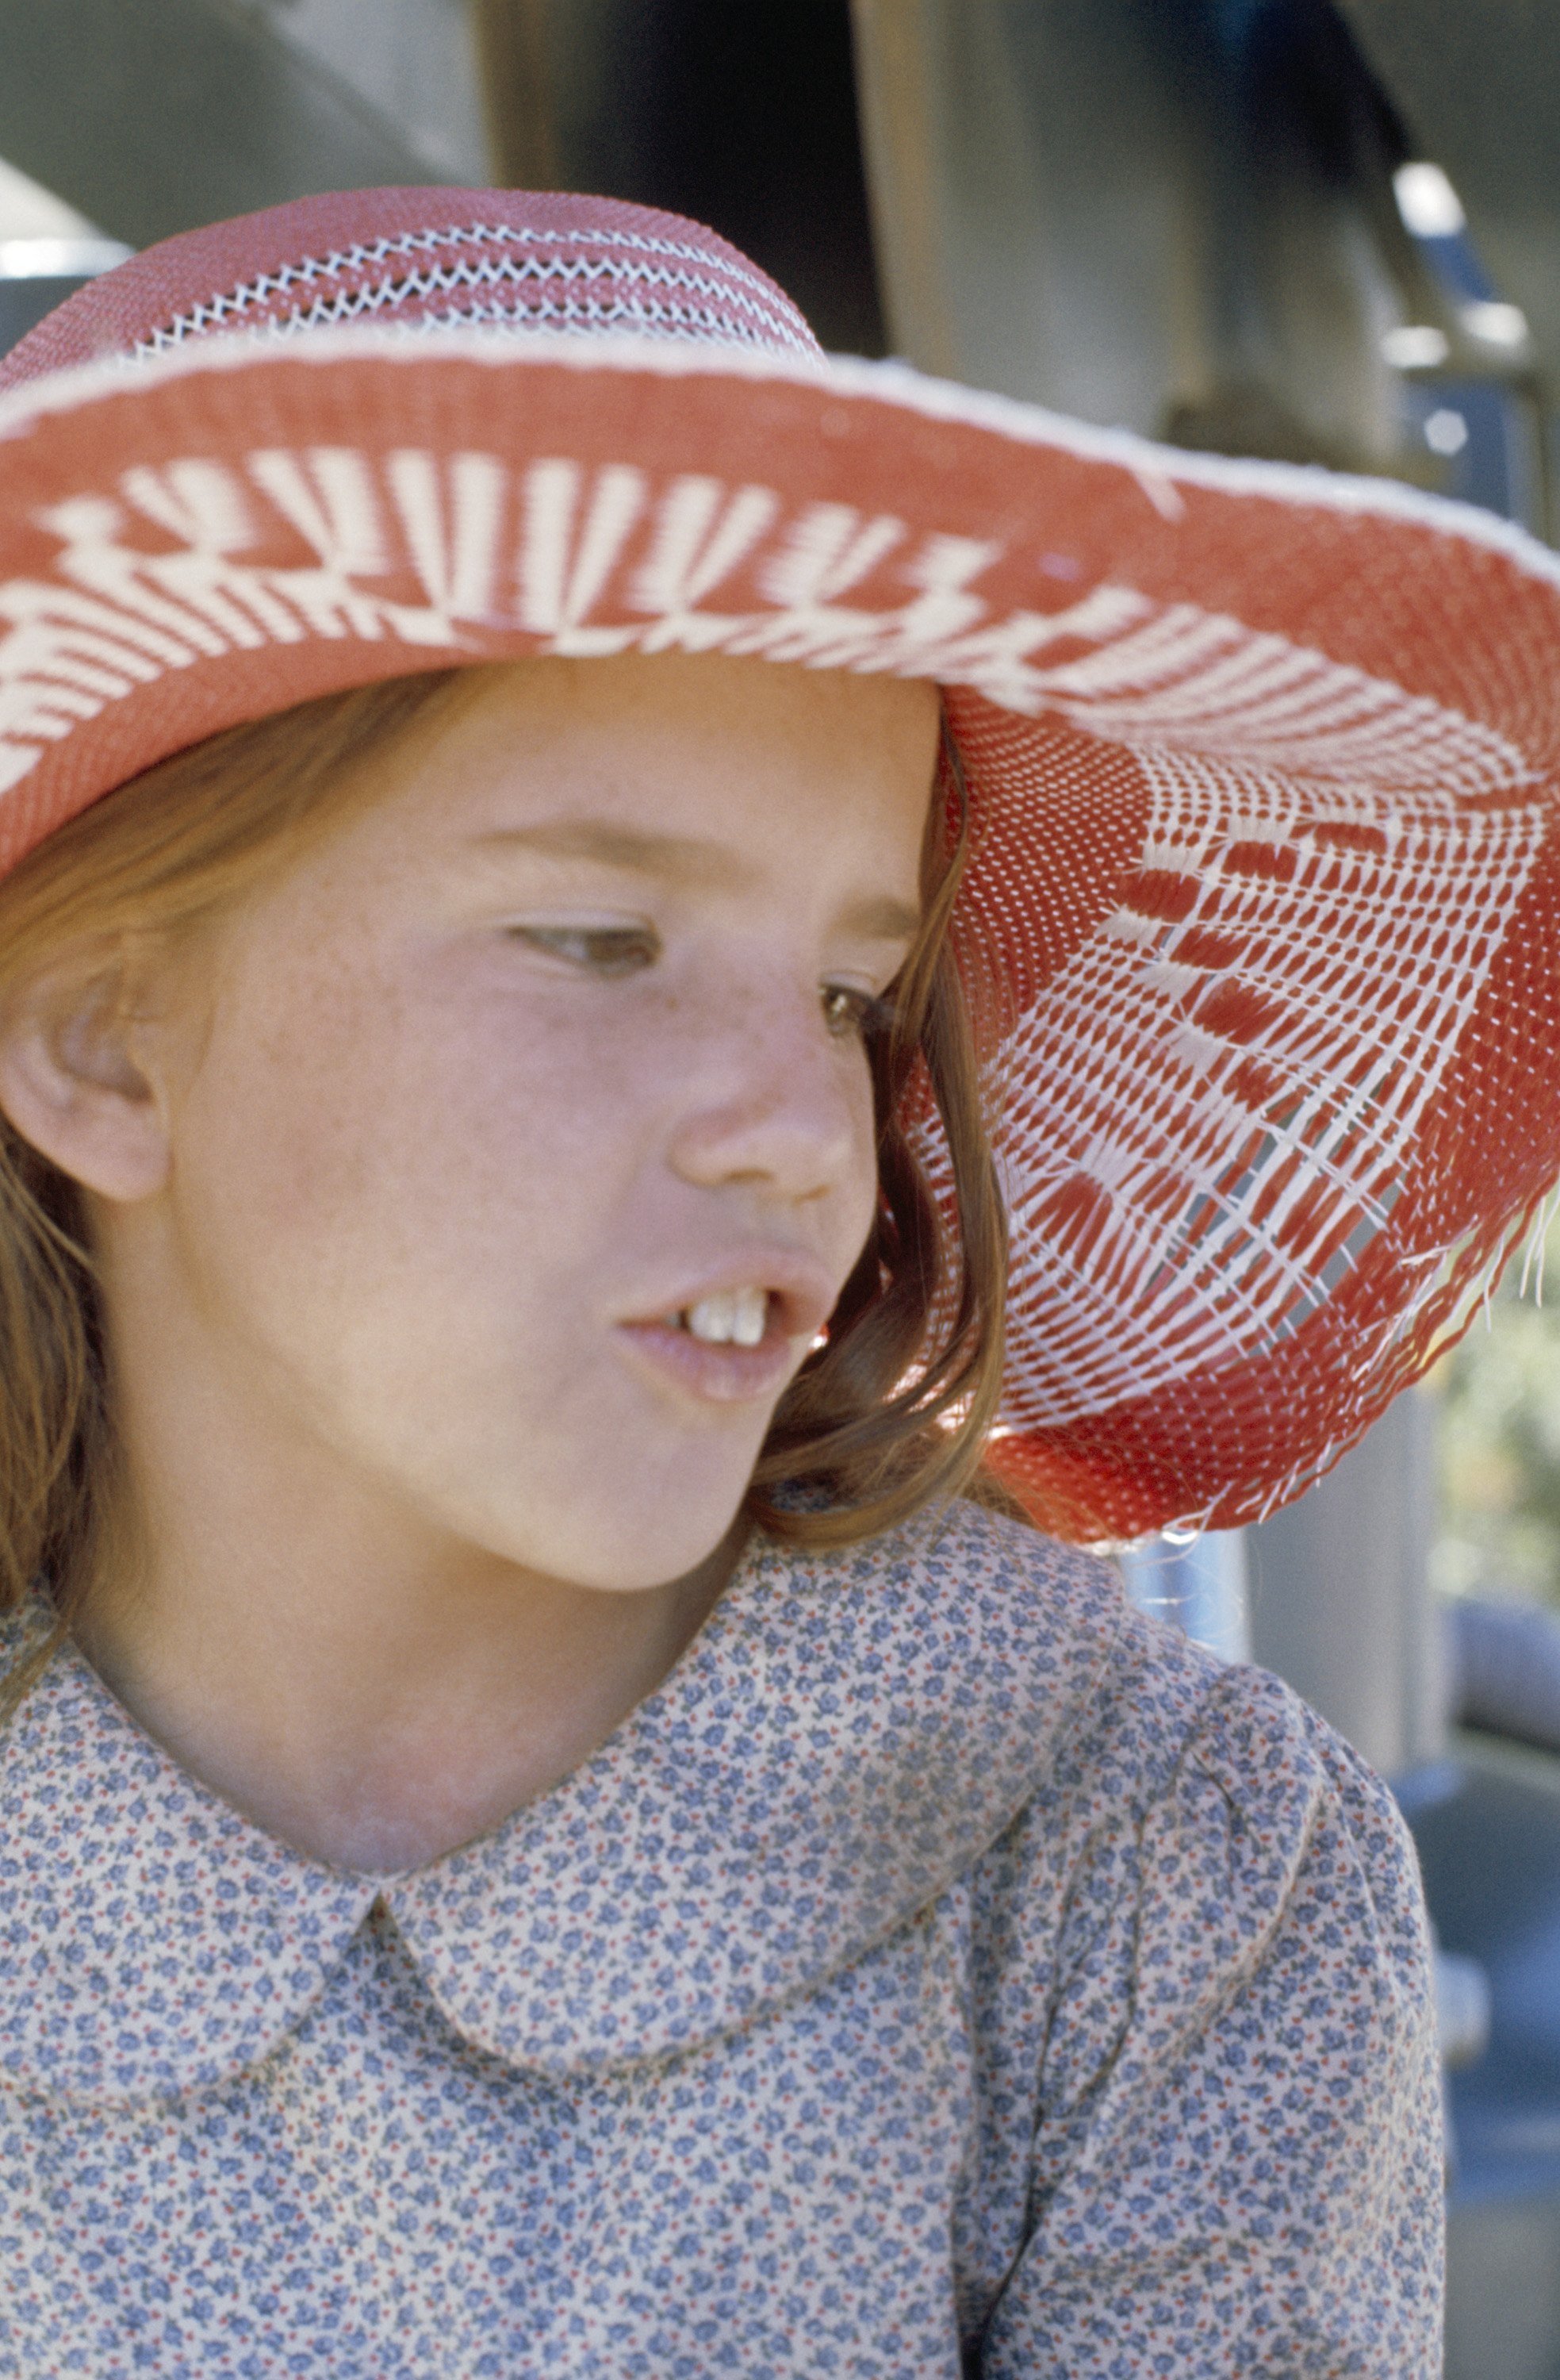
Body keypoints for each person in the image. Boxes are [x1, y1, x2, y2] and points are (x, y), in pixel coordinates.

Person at [6, 182, 1558, 2378]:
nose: (802, 1128)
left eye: (855, 994)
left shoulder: (1145, 1889)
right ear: (96, 1036)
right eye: (601, 940)